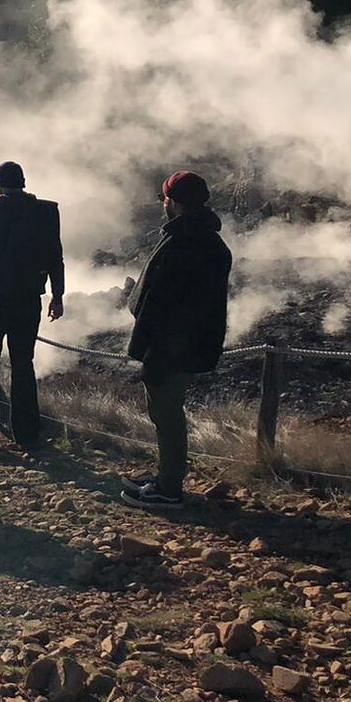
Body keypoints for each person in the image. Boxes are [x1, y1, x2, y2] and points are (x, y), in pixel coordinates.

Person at [120, 171, 232, 511]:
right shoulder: (209, 240)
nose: (162, 204)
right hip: (186, 342)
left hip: (170, 346)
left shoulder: (183, 241)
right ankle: (165, 477)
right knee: (167, 412)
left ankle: (168, 489)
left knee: (166, 414)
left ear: (174, 202)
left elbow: (162, 301)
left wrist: (151, 346)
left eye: (164, 198)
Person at [0, 161, 64, 450]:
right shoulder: (46, 212)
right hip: (29, 302)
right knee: (23, 365)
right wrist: (58, 295)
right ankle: (27, 434)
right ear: (23, 183)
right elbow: (56, 256)